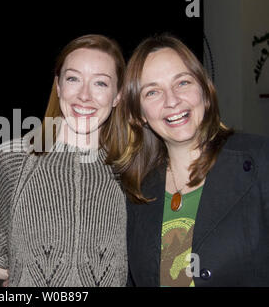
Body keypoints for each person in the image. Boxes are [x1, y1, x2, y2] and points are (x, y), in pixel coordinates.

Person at [110, 34, 269, 286]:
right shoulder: (135, 193)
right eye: (152, 92)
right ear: (138, 114)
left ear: (204, 91)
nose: (172, 100)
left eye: (182, 83)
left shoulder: (261, 161)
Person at [0, 34, 128, 287]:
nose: (84, 95)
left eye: (101, 84)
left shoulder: (131, 167)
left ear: (118, 95)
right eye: (73, 79)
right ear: (59, 86)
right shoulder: (12, 158)